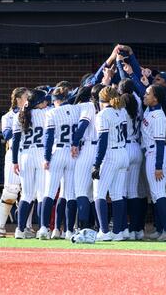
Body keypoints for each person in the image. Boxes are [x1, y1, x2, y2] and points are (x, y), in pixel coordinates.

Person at [37, 87, 80, 240]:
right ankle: (68, 231)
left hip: (57, 152)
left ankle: (44, 228)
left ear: (55, 100)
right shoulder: (76, 110)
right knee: (70, 194)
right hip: (73, 153)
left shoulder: (51, 112)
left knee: (49, 192)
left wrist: (46, 158)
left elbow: (48, 138)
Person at [91, 86, 129, 241]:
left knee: (98, 193)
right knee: (117, 194)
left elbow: (102, 141)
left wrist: (97, 163)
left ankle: (104, 231)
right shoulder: (122, 111)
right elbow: (125, 134)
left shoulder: (102, 114)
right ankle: (118, 232)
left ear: (101, 100)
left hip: (110, 154)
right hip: (123, 152)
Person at [0, 87, 29, 238]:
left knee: (28, 193)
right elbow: (7, 135)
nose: (29, 98)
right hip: (13, 154)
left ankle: (25, 228)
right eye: (27, 96)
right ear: (19, 99)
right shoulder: (8, 116)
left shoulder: (32, 114)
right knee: (10, 192)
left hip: (29, 153)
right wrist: (19, 118)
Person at [11, 89, 49, 239]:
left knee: (26, 195)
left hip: (25, 155)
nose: (46, 103)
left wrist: (14, 161)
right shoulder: (46, 113)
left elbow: (14, 141)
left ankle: (19, 230)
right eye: (44, 101)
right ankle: (42, 229)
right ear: (38, 102)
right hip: (41, 154)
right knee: (41, 194)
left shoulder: (19, 115)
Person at [141, 85, 166, 241]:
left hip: (157, 154)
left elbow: (160, 143)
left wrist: (158, 166)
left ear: (155, 98)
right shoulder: (150, 110)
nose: (144, 95)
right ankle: (161, 229)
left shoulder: (159, 116)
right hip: (152, 153)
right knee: (156, 194)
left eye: (148, 93)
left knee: (158, 193)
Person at [71, 85, 104, 231]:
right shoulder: (109, 107)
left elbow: (83, 124)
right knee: (94, 193)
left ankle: (83, 227)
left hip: (89, 148)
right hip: (103, 150)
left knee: (81, 191)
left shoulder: (88, 106)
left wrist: (74, 142)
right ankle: (98, 227)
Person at [119, 79, 147, 240]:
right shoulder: (137, 100)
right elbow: (131, 91)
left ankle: (124, 229)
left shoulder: (121, 106)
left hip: (125, 148)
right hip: (136, 147)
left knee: (121, 192)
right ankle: (137, 229)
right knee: (133, 192)